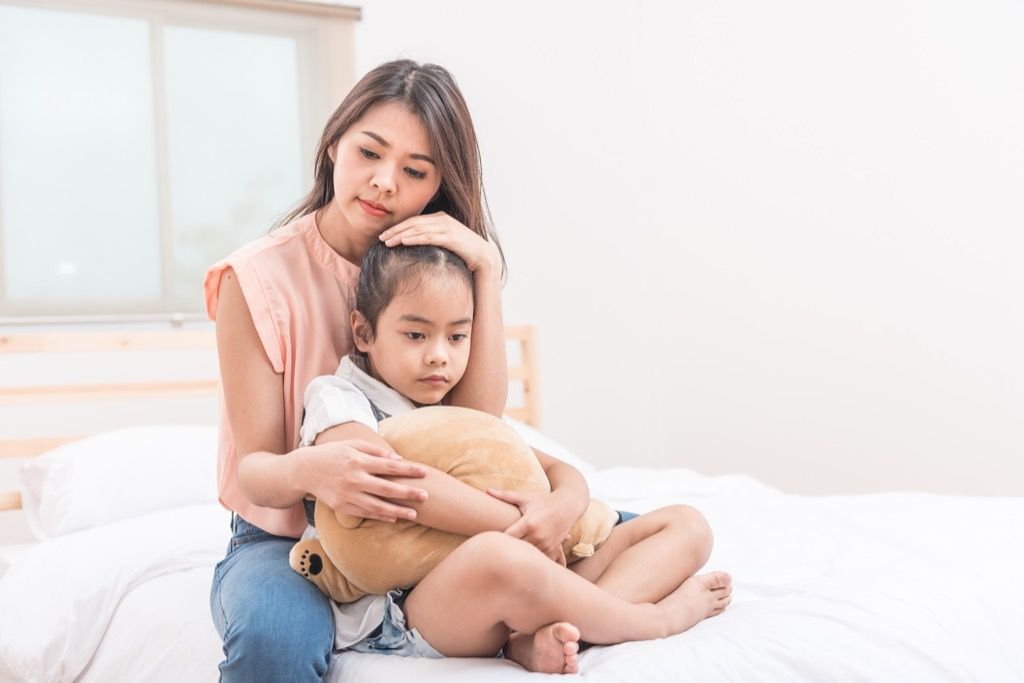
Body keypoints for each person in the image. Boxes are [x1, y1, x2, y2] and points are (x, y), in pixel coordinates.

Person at [205, 60, 508, 682]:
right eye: (369, 152)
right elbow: (257, 471)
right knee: (273, 643)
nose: (384, 183)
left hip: (436, 520)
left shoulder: (441, 268)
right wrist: (316, 470)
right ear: (333, 144)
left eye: (415, 171)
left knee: (629, 540)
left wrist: (485, 271)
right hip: (288, 540)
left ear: (438, 186)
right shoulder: (256, 279)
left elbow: (478, 425)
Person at [298, 240, 733, 674]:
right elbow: (390, 479)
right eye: (416, 335)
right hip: (418, 607)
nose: (439, 355)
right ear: (363, 332)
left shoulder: (455, 404)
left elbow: (556, 468)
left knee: (688, 526)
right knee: (497, 556)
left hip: (524, 573)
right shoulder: (338, 399)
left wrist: (559, 510)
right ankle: (652, 620)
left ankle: (546, 632)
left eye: (457, 336)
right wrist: (521, 529)